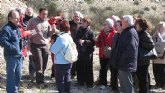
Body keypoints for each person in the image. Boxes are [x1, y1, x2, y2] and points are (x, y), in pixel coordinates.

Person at [27, 8, 53, 85]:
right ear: (39, 13)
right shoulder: (32, 21)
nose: (45, 15)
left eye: (46, 14)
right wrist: (30, 36)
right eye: (43, 13)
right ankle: (40, 83)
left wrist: (49, 38)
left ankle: (40, 77)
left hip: (45, 45)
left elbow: (49, 34)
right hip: (35, 45)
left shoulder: (47, 23)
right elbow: (27, 32)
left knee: (44, 64)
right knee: (39, 63)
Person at [113, 15, 139, 93]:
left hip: (126, 63)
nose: (121, 23)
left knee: (127, 85)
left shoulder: (131, 32)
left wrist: (121, 59)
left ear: (127, 22)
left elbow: (131, 49)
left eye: (122, 21)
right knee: (123, 84)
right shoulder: (127, 31)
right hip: (123, 63)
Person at [0, 10, 23, 93]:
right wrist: (14, 48)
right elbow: (2, 41)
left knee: (18, 75)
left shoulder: (17, 27)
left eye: (18, 18)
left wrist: (22, 50)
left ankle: (15, 90)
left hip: (19, 56)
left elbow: (19, 40)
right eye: (16, 18)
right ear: (10, 18)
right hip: (11, 57)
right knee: (11, 77)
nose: (18, 20)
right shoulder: (6, 29)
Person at [50, 20, 72, 93]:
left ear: (60, 28)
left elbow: (53, 50)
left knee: (60, 80)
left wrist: (52, 43)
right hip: (69, 61)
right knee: (67, 79)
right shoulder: (69, 36)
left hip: (60, 62)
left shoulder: (61, 38)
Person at [94, 18, 116, 89]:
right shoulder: (101, 33)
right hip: (102, 54)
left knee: (113, 70)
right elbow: (98, 45)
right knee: (103, 69)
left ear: (109, 25)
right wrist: (96, 40)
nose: (103, 25)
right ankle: (103, 83)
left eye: (105, 24)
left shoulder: (115, 33)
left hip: (111, 55)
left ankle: (113, 85)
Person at [135, 18, 154, 93]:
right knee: (140, 79)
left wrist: (141, 43)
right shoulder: (139, 32)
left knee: (143, 80)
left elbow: (151, 45)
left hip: (144, 61)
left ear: (140, 25)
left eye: (136, 24)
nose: (135, 25)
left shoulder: (145, 33)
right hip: (140, 60)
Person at [74, 17, 95, 88]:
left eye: (84, 22)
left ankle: (89, 83)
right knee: (79, 67)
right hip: (79, 52)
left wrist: (84, 41)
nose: (82, 23)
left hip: (87, 53)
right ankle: (80, 81)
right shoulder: (79, 30)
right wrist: (78, 41)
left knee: (88, 68)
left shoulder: (91, 32)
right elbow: (75, 39)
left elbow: (93, 42)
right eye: (82, 22)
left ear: (88, 23)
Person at [69, 11, 83, 79]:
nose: (76, 17)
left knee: (78, 59)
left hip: (79, 44)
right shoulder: (70, 23)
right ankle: (72, 74)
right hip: (71, 44)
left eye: (77, 16)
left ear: (80, 17)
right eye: (75, 16)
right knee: (71, 58)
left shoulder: (82, 24)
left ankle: (79, 74)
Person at [152, 21, 165, 89]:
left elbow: (163, 43)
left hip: (162, 56)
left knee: (161, 70)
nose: (159, 27)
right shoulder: (155, 35)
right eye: (158, 26)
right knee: (155, 70)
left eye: (161, 26)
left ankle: (162, 84)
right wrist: (154, 36)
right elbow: (152, 43)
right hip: (155, 56)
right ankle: (157, 83)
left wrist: (159, 36)